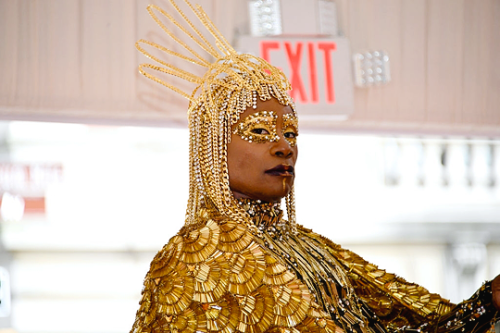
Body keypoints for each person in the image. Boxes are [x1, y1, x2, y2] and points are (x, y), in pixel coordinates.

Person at [130, 1, 500, 332]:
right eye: (259, 131)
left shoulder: (310, 248)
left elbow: (411, 326)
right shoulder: (190, 260)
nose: (283, 148)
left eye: (290, 134)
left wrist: (487, 304)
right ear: (214, 147)